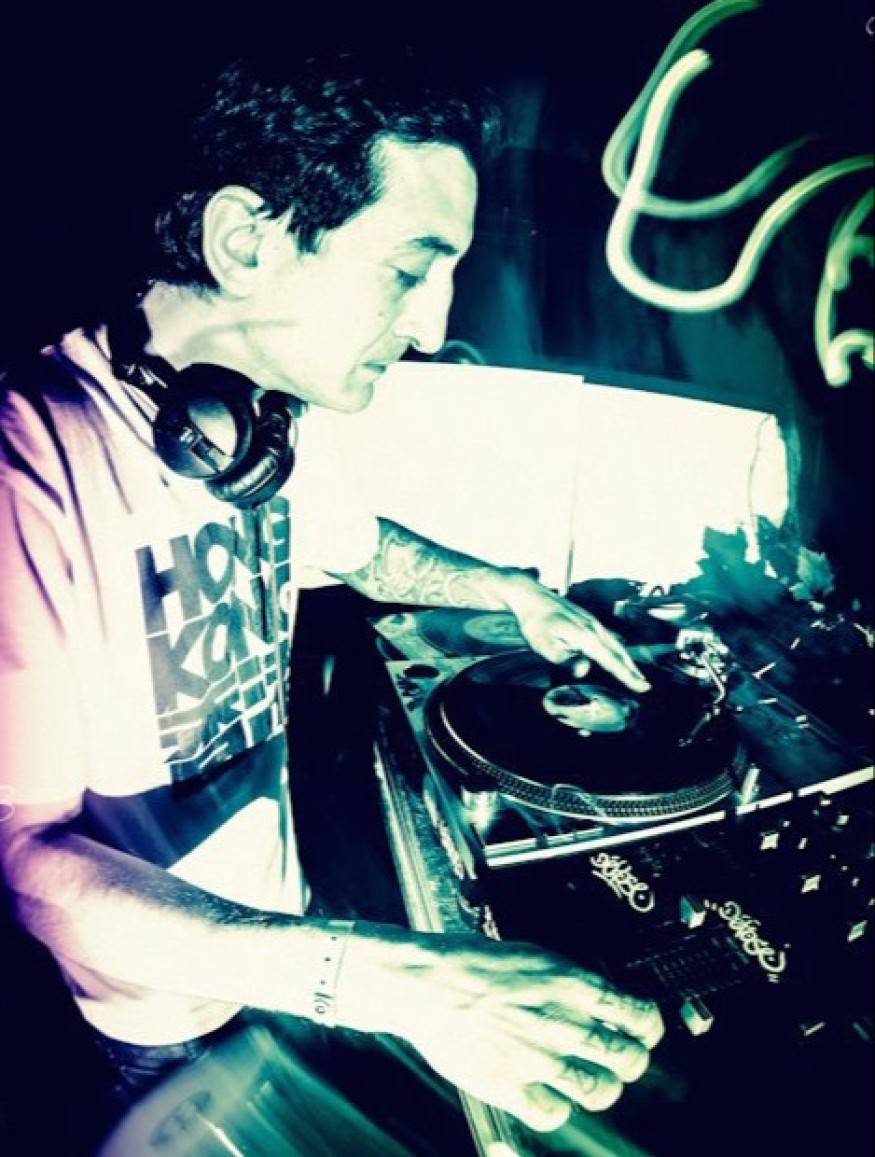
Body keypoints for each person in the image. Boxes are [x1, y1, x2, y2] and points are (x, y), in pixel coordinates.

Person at [0, 46, 662, 1149]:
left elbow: (362, 554)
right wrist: (386, 979)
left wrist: (510, 594)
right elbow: (26, 858)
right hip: (155, 1014)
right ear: (246, 242)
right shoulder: (31, 459)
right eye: (409, 269)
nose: (431, 325)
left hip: (288, 950)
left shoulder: (261, 422)